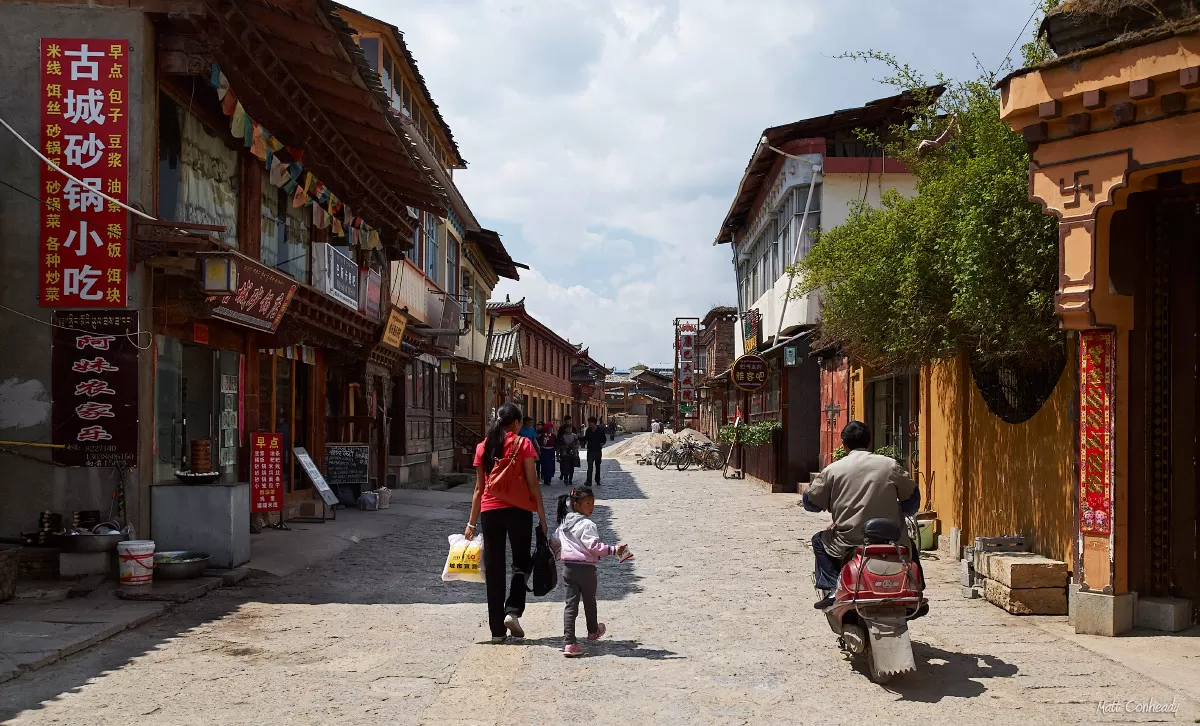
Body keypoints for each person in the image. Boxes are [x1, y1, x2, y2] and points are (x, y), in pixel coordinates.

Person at [801, 420, 921, 610]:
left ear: (844, 444)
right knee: (909, 544)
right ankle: (917, 588)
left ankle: (832, 588)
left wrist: (831, 505)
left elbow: (810, 503)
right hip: (892, 541)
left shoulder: (833, 470)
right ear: (870, 441)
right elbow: (913, 500)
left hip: (847, 541)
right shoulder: (890, 466)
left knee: (818, 540)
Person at [465, 403, 549, 643]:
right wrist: (542, 517)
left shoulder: (483, 446)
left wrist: (471, 524)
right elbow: (534, 485)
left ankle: (497, 632)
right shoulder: (524, 444)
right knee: (521, 563)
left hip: (490, 512)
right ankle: (512, 609)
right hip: (520, 511)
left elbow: (479, 489)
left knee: (494, 570)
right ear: (515, 423)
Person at [551, 486, 629, 657]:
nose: (592, 506)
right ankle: (593, 631)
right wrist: (615, 550)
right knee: (589, 601)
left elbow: (554, 540)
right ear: (577, 505)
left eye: (593, 503)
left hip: (568, 569)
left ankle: (569, 642)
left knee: (570, 605)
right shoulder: (587, 524)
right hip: (586, 570)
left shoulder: (564, 522)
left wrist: (559, 554)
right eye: (588, 503)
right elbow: (594, 547)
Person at [581, 416, 607, 486]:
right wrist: (580, 438)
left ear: (594, 423)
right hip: (590, 450)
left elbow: (604, 439)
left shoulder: (600, 430)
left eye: (590, 423)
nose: (589, 424)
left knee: (597, 466)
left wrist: (602, 443)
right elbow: (586, 438)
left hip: (598, 451)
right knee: (590, 467)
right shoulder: (588, 430)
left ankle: (597, 480)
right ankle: (589, 481)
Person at [557, 417, 578, 484]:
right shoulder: (562, 430)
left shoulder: (574, 430)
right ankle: (564, 475)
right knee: (564, 464)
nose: (569, 429)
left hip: (572, 452)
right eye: (568, 428)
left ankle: (570, 478)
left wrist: (575, 449)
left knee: (571, 466)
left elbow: (577, 443)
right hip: (564, 452)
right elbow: (559, 440)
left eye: (570, 428)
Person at [537, 422, 557, 488]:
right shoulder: (542, 435)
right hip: (544, 452)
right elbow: (539, 443)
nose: (551, 429)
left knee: (550, 466)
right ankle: (545, 479)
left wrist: (555, 450)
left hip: (551, 452)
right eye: (550, 428)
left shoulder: (553, 436)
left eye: (551, 428)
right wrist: (539, 450)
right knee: (545, 465)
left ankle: (549, 479)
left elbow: (555, 444)